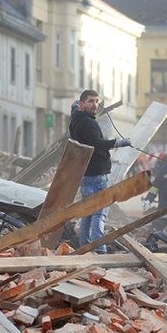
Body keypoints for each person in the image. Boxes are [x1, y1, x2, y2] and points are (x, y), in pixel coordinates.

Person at [69, 89, 132, 253]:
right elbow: (95, 142)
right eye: (90, 101)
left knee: (88, 212)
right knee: (99, 213)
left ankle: (84, 245)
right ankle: (99, 248)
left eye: (96, 101)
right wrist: (117, 143)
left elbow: (76, 112)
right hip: (96, 173)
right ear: (82, 103)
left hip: (86, 173)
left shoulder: (76, 118)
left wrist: (75, 107)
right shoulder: (88, 122)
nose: (95, 105)